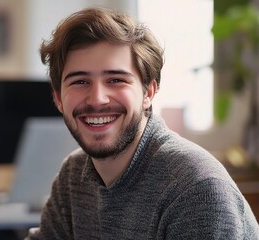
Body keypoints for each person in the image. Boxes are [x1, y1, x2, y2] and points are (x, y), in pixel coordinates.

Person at [27, 7, 259, 239]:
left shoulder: (195, 187)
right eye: (80, 81)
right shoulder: (73, 175)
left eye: (116, 79)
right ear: (58, 98)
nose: (97, 98)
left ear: (148, 91)